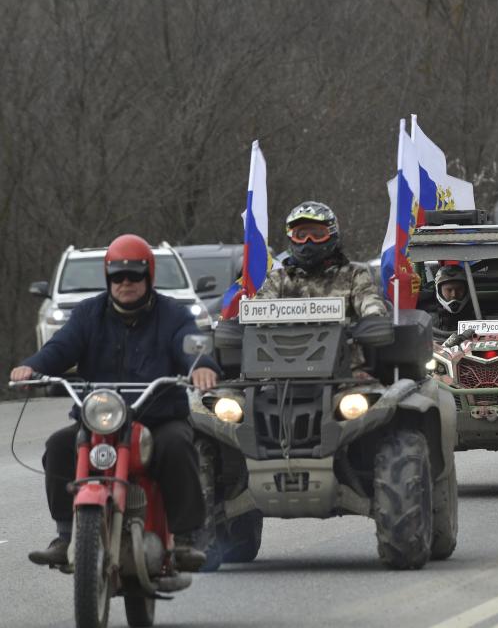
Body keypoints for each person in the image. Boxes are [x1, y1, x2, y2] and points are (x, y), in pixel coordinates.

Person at [10, 234, 219, 571]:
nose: (126, 283)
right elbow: (60, 347)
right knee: (60, 446)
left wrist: (202, 367)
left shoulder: (172, 314)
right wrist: (33, 366)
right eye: (118, 276)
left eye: (135, 275)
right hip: (101, 418)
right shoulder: (88, 314)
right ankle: (65, 536)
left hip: (158, 416)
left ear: (148, 276)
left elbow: (189, 344)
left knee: (178, 445)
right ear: (108, 279)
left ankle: (184, 540)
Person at [255, 201, 388, 322]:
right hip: (281, 347)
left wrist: (374, 319)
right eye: (301, 235)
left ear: (332, 235)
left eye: (317, 234)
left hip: (341, 346)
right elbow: (257, 311)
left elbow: (369, 302)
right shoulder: (277, 279)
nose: (308, 241)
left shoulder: (353, 275)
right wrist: (240, 322)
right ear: (292, 238)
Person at [433, 264, 477, 331]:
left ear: (467, 290)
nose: (454, 294)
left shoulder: (478, 315)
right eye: (449, 290)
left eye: (459, 289)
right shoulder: (428, 321)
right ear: (439, 291)